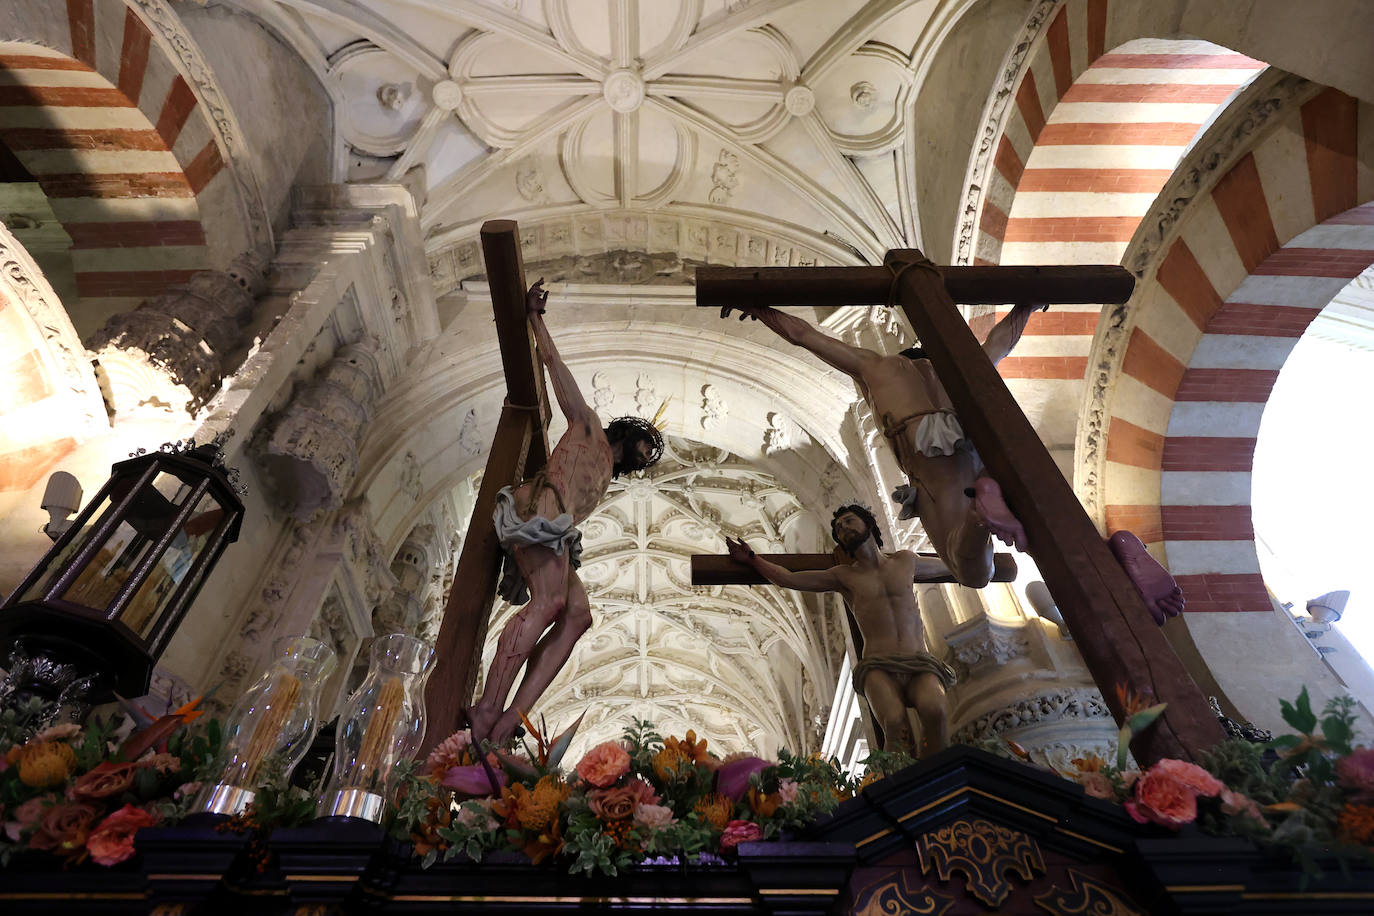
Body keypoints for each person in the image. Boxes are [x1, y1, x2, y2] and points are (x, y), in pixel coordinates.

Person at [721, 257, 1035, 588]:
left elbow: (803, 335)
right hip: (967, 446)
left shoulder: (875, 367)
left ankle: (979, 513)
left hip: (924, 451)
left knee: (972, 574)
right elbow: (999, 344)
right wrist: (1026, 306)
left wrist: (760, 309)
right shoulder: (953, 375)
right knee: (971, 567)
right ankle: (986, 492)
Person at [468, 279, 663, 745]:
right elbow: (557, 371)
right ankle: (488, 706)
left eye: (650, 453)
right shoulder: (589, 426)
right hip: (541, 508)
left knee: (578, 616)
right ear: (627, 431)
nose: (647, 452)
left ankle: (514, 715)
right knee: (550, 603)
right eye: (646, 443)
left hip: (557, 529)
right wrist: (535, 318)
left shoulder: (605, 480)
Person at [726, 504, 955, 757]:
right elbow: (788, 579)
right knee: (894, 723)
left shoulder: (905, 561)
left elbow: (952, 566)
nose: (843, 528)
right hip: (879, 666)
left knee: (937, 710)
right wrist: (752, 559)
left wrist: (979, 538)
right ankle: (900, 786)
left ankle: (943, 780)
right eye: (838, 528)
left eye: (848, 521)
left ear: (868, 522)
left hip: (919, 661)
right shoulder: (843, 576)